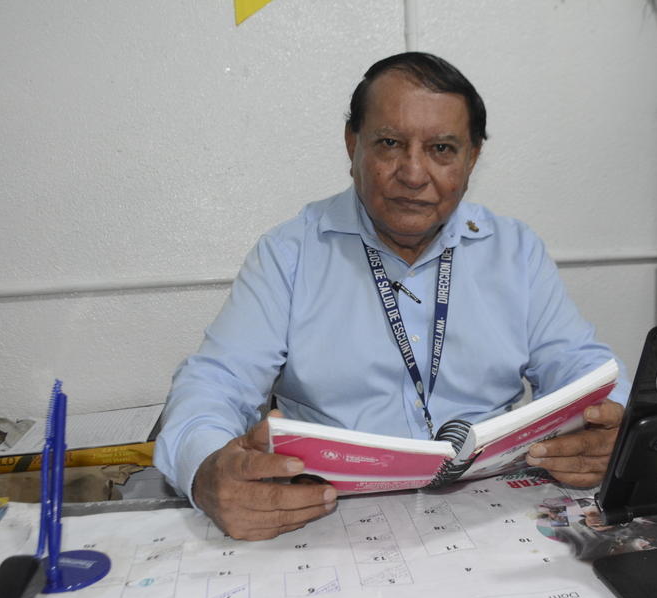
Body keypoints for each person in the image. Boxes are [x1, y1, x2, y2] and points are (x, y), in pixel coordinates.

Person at [155, 52, 631, 541]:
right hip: (330, 513)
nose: (413, 173)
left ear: (472, 157)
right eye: (389, 143)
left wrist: (609, 430)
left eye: (442, 149)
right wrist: (206, 470)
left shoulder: (515, 251)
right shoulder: (290, 252)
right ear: (352, 144)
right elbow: (214, 382)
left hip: (492, 512)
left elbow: (586, 370)